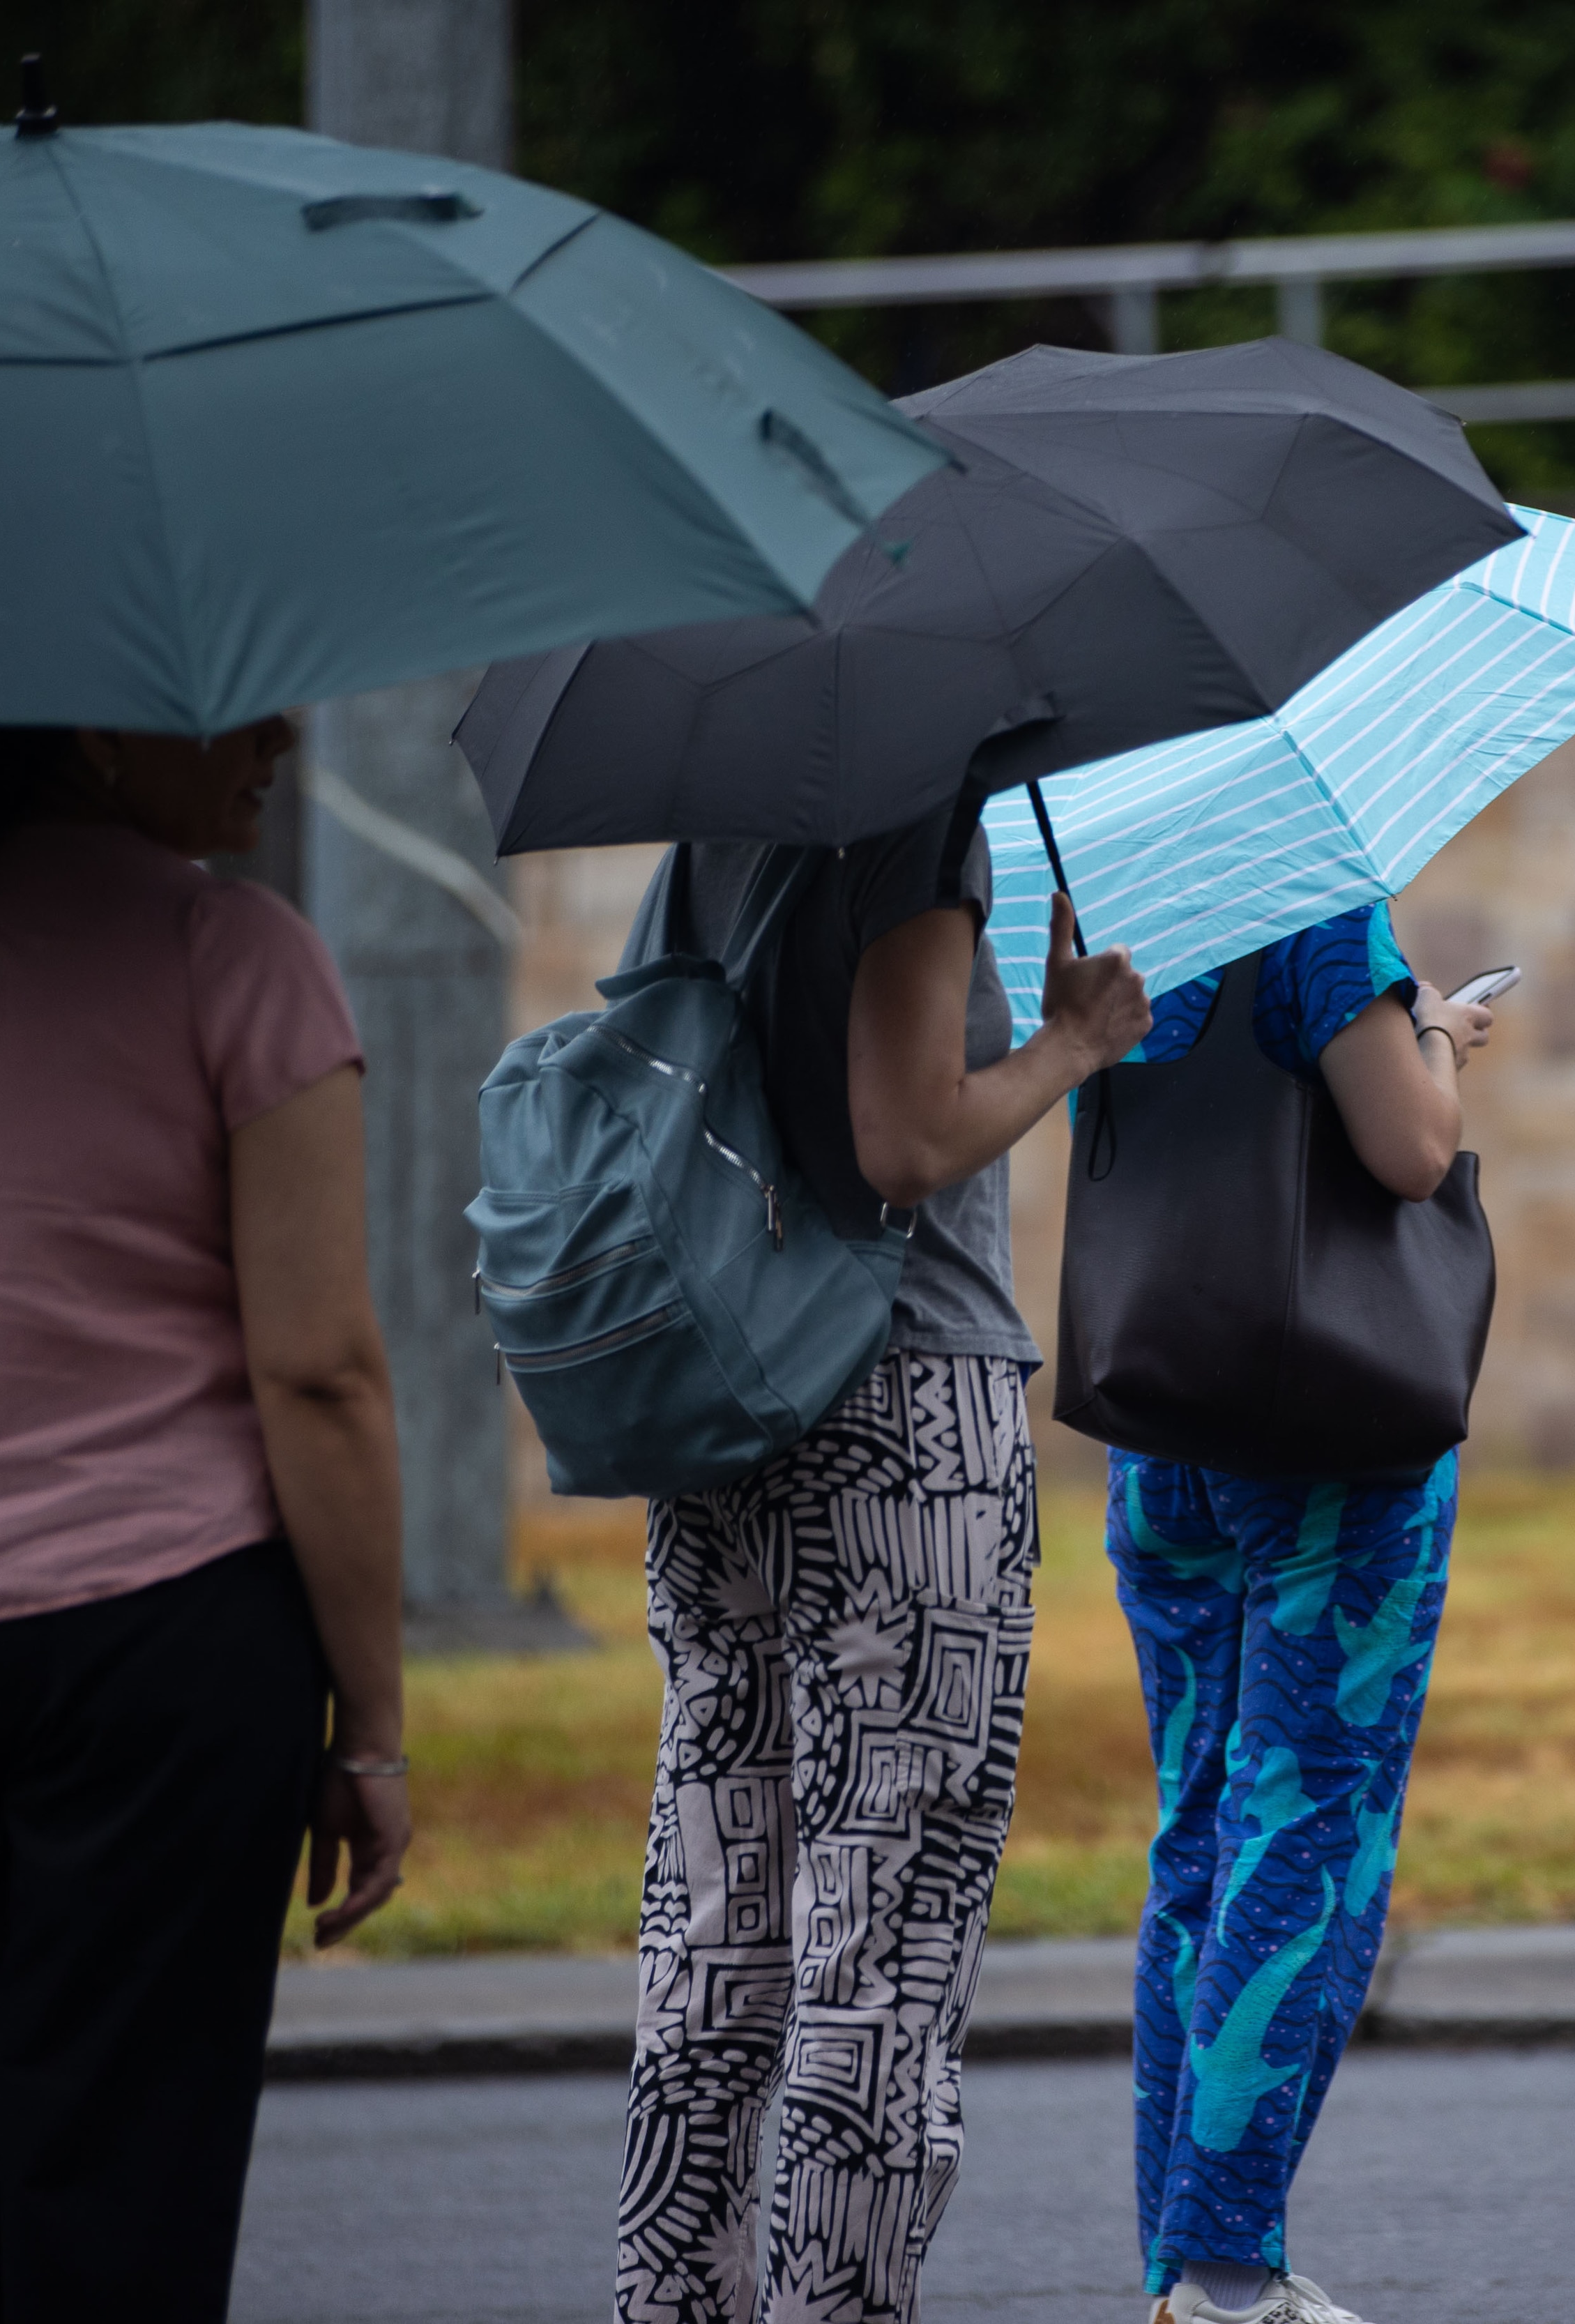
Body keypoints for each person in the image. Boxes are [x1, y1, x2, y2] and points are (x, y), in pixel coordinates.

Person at [0, 717, 409, 2320]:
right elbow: (319, 1370)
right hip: (159, 1639)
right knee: (117, 2176)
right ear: (103, 724)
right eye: (235, 704)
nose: (277, 741)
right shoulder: (234, 950)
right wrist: (375, 1726)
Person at [616, 812, 1148, 2324]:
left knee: (715, 1930)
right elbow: (904, 1140)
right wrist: (1072, 1040)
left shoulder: (708, 829)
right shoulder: (915, 813)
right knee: (886, 1931)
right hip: (906, 1419)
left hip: (718, 1408)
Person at [1099, 904, 1489, 2324]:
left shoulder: (1123, 894)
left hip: (1164, 1435)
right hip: (1325, 1444)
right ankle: (1222, 2275)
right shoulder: (1319, 905)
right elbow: (1407, 1147)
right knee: (1308, 1827)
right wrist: (1438, 1030)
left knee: (1198, 1839)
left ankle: (1179, 2269)